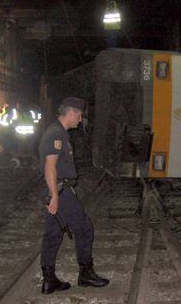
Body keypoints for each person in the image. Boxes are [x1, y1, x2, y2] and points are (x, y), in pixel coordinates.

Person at [38, 97, 109, 294]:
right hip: (59, 192)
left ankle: (49, 280)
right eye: (79, 114)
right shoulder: (56, 135)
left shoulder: (58, 132)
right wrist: (55, 196)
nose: (80, 119)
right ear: (70, 113)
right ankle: (86, 275)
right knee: (85, 229)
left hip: (59, 189)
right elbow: (50, 167)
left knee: (53, 233)